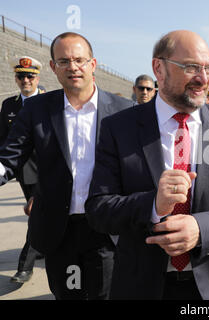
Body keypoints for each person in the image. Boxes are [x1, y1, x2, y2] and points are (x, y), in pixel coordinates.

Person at [85, 30, 209, 300]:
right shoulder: (118, 129)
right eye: (191, 67)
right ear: (159, 68)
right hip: (142, 283)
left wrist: (201, 228)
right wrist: (153, 205)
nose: (204, 79)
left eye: (208, 68)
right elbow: (98, 209)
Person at [0, 32, 132, 299]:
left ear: (93, 64)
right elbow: (10, 158)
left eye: (79, 60)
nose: (73, 67)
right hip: (59, 232)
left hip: (105, 231)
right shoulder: (36, 109)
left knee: (104, 295)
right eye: (64, 61)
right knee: (67, 295)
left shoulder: (122, 110)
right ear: (53, 67)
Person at [0, 56, 44, 284]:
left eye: (30, 76)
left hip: (48, 170)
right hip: (23, 172)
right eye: (21, 76)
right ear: (16, 79)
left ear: (38, 78)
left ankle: (24, 267)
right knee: (39, 214)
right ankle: (43, 246)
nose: (26, 80)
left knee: (38, 214)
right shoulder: (9, 105)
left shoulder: (50, 102)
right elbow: (4, 140)